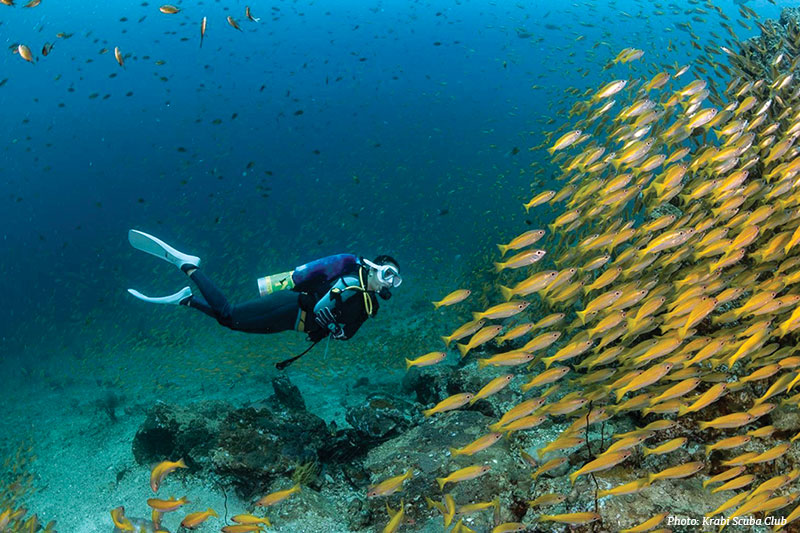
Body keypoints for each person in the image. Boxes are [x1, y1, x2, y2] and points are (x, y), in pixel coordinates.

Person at [126, 230, 401, 366]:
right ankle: (188, 266)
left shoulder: (369, 305)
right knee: (229, 314)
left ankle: (187, 300)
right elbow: (311, 282)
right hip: (290, 305)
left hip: (293, 323)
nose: (390, 282)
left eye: (395, 280)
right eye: (388, 274)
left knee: (230, 322)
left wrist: (337, 330)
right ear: (374, 267)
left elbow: (347, 333)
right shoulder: (350, 273)